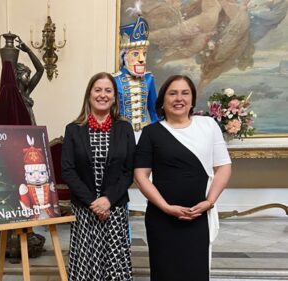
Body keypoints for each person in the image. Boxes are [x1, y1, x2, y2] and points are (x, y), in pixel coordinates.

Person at [134, 75, 232, 281]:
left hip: (198, 217)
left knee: (195, 273)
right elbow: (140, 176)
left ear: (192, 99)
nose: (179, 98)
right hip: (162, 218)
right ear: (162, 100)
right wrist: (165, 207)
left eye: (185, 93)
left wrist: (209, 202)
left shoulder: (208, 126)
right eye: (173, 93)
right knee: (165, 273)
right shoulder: (151, 132)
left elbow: (224, 167)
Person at [61, 72, 135, 280]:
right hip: (85, 209)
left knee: (114, 266)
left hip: (115, 207)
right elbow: (68, 170)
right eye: (98, 90)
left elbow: (129, 170)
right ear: (89, 94)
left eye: (108, 90)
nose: (103, 95)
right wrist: (93, 202)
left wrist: (107, 200)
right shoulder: (73, 129)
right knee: (86, 266)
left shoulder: (124, 128)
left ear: (114, 97)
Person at [113, 6, 158, 138]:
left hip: (144, 135)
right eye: (136, 54)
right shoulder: (114, 80)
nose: (142, 59)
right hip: (121, 135)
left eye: (144, 53)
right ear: (124, 55)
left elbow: (154, 112)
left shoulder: (149, 79)